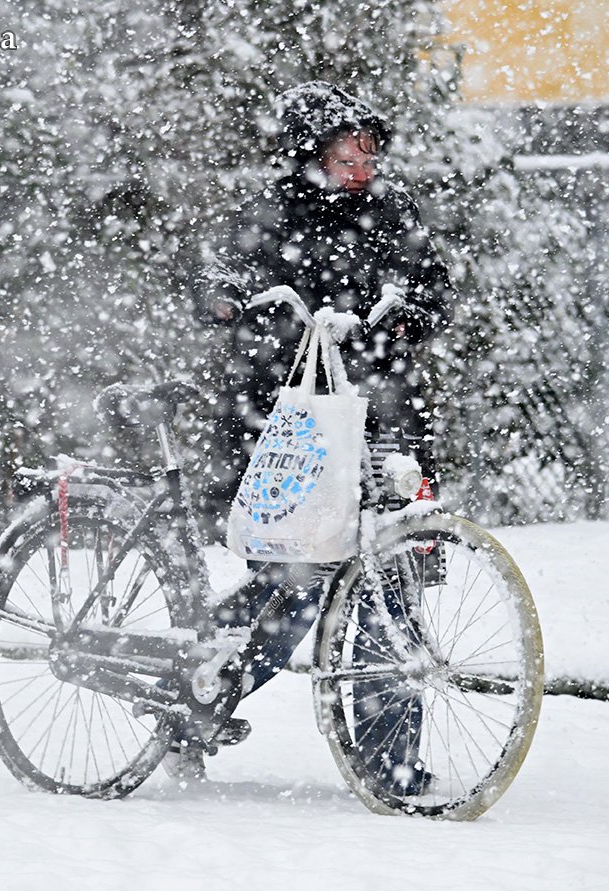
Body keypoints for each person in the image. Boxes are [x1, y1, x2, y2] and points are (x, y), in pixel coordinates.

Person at [181, 82, 456, 789]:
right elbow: (223, 273)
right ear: (312, 154)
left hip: (382, 423)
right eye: (347, 154)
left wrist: (411, 313)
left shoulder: (393, 210)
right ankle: (199, 688)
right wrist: (226, 299)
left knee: (390, 576)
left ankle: (393, 763)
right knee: (294, 583)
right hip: (292, 426)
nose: (363, 166)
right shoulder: (273, 212)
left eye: (369, 153)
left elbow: (435, 286)